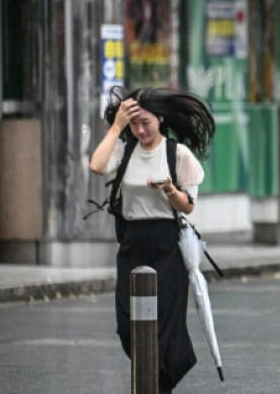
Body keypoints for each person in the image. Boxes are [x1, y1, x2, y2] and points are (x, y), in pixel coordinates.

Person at [89, 86, 215, 394]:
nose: (140, 129)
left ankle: (155, 387)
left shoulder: (178, 154)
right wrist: (117, 126)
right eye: (134, 123)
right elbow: (96, 166)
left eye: (146, 122)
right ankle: (167, 370)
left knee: (163, 327)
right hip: (132, 243)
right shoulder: (125, 150)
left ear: (160, 119)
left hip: (167, 244)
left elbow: (188, 206)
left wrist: (170, 190)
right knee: (127, 325)